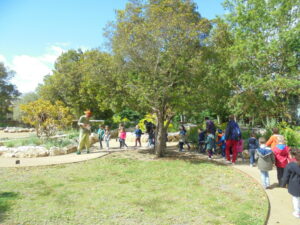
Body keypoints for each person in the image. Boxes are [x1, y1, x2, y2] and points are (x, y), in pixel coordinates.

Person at [281, 150, 300, 218]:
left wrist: (283, 184)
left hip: (295, 186)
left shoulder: (290, 165)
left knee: (296, 199)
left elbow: (285, 176)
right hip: (296, 186)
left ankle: (297, 212)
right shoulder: (291, 165)